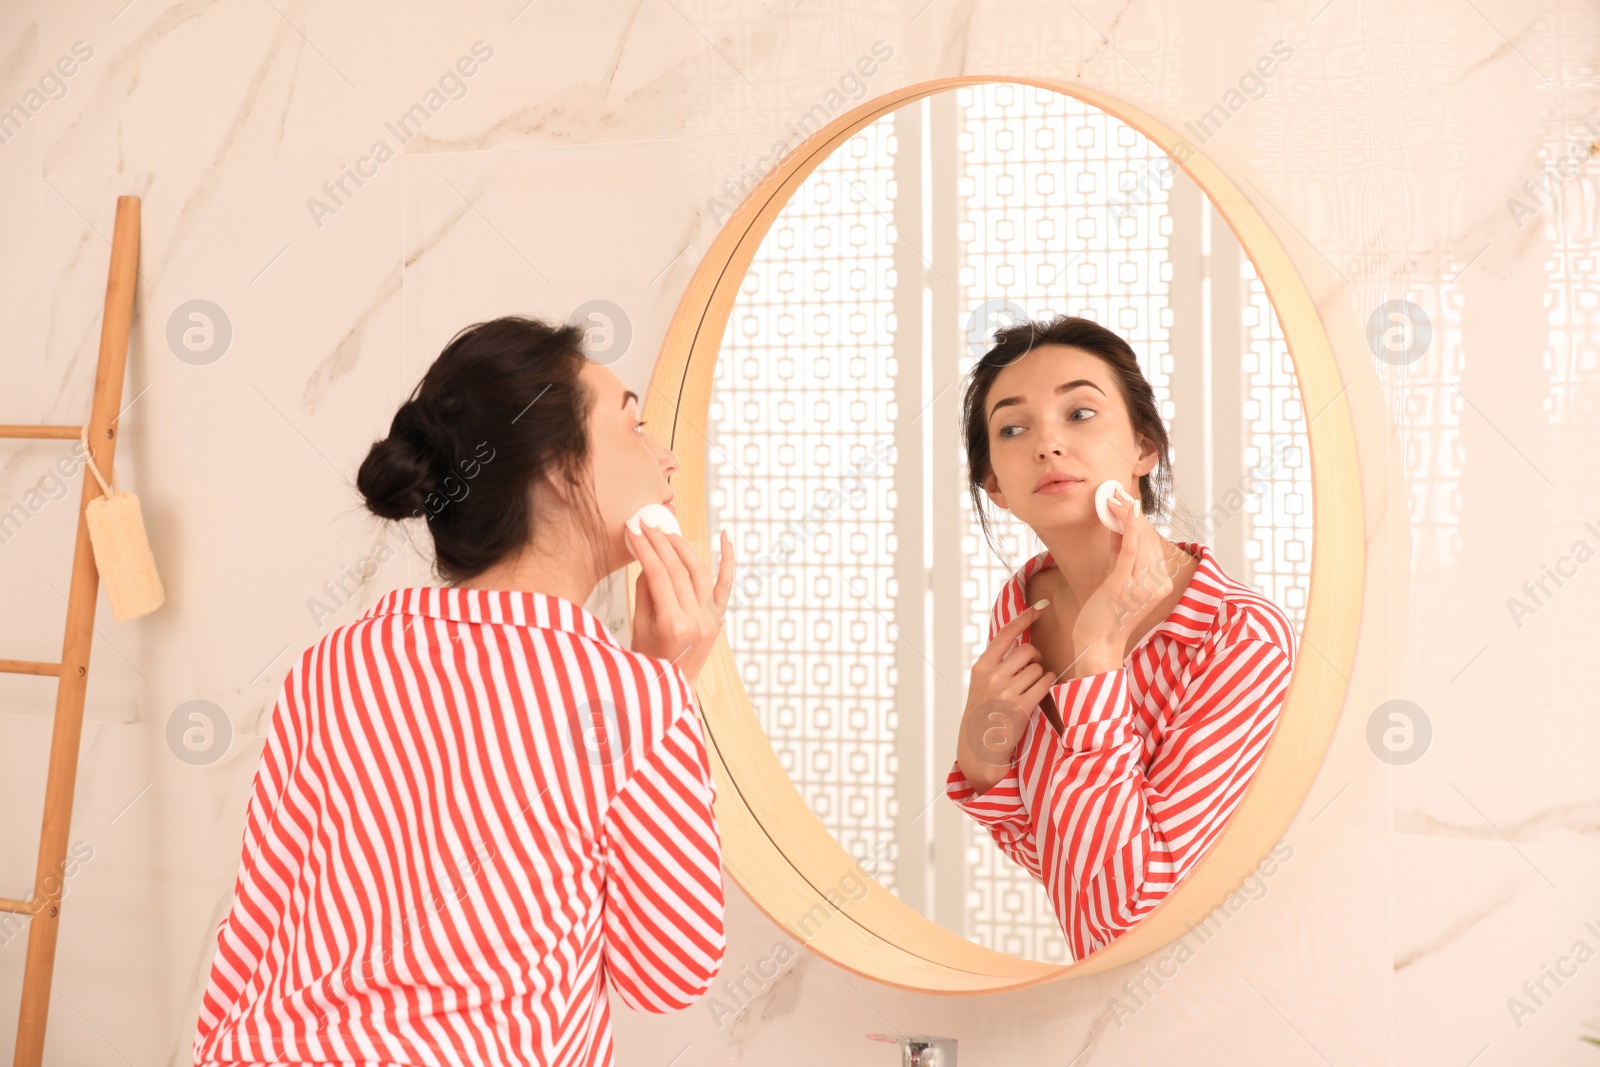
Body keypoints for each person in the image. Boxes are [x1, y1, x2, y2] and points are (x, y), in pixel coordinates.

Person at [191, 315, 735, 1066]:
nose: (666, 458)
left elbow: (253, 927)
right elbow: (667, 972)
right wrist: (665, 689)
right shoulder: (632, 699)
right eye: (634, 425)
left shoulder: (334, 662)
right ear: (558, 464)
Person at [946, 314, 1297, 961]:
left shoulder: (1242, 636)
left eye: (1079, 413)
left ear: (1143, 447)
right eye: (1013, 427)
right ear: (993, 483)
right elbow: (1066, 864)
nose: (1047, 444)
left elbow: (1127, 919)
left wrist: (1099, 659)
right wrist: (981, 756)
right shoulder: (1021, 608)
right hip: (1106, 1014)